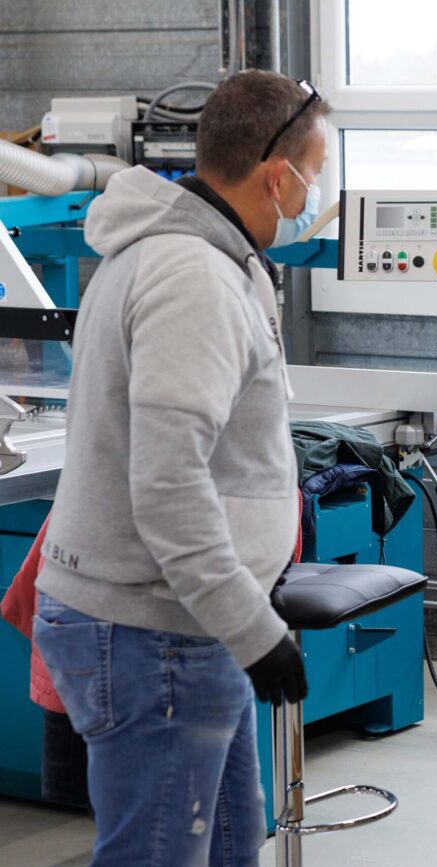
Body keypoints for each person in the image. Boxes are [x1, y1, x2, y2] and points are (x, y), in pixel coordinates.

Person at [31, 70, 329, 866]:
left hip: (189, 623)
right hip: (153, 631)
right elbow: (168, 487)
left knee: (230, 846)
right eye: (316, 172)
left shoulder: (209, 258)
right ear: (278, 177)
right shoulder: (191, 277)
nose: (318, 193)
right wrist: (254, 628)